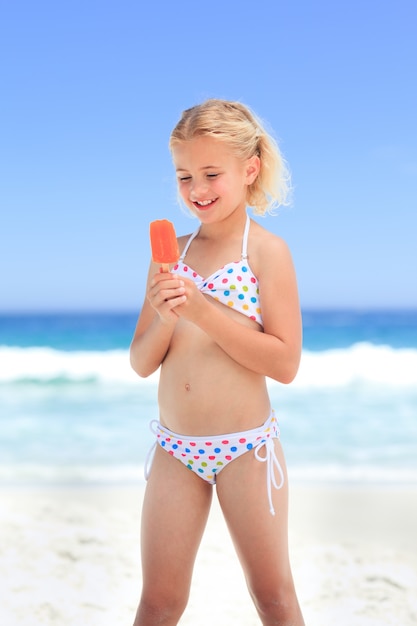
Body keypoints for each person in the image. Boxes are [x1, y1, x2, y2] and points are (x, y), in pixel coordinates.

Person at [130, 99, 305, 626]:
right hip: (175, 448)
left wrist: (203, 311)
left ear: (249, 170)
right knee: (160, 600)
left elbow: (285, 362)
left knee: (272, 594)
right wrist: (164, 315)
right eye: (184, 176)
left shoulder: (266, 253)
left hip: (245, 448)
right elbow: (142, 362)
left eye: (211, 173)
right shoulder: (172, 255)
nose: (196, 189)